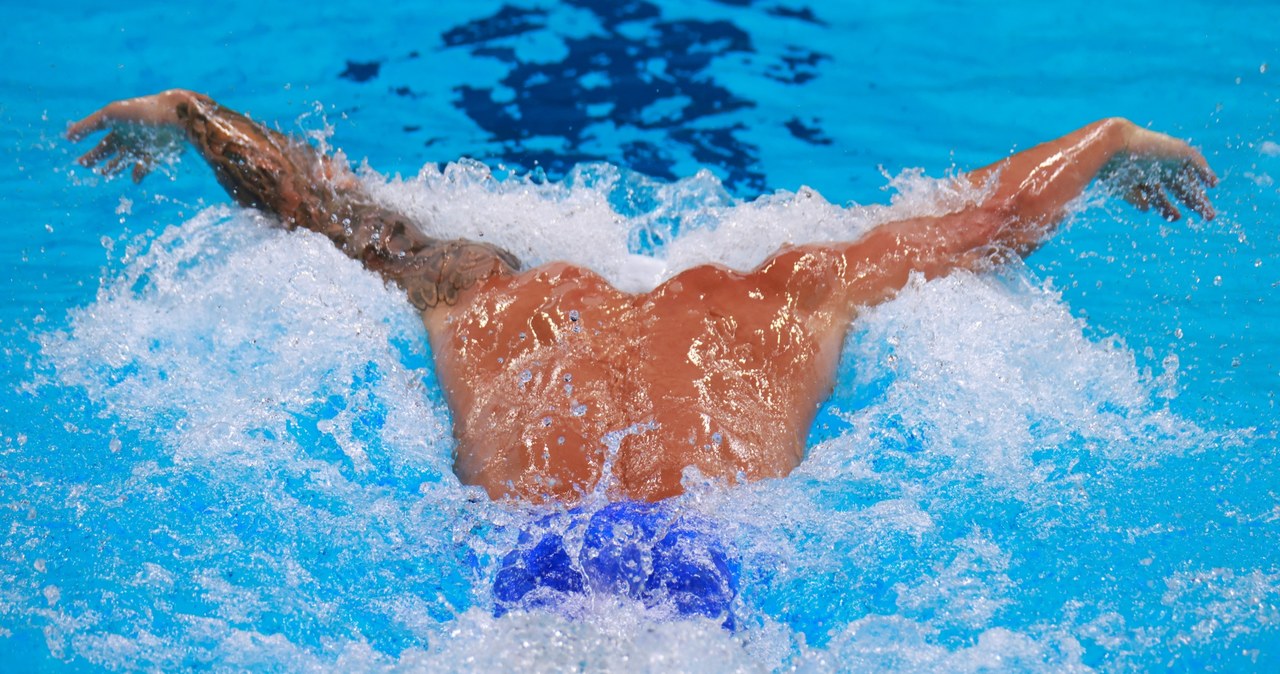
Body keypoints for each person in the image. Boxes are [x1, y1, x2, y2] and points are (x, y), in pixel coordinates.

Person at [67, 89, 1216, 624]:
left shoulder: (481, 295)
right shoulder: (788, 296)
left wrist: (188, 113)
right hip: (712, 559)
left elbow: (322, 208)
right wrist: (1105, 139)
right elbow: (977, 226)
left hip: (517, 559)